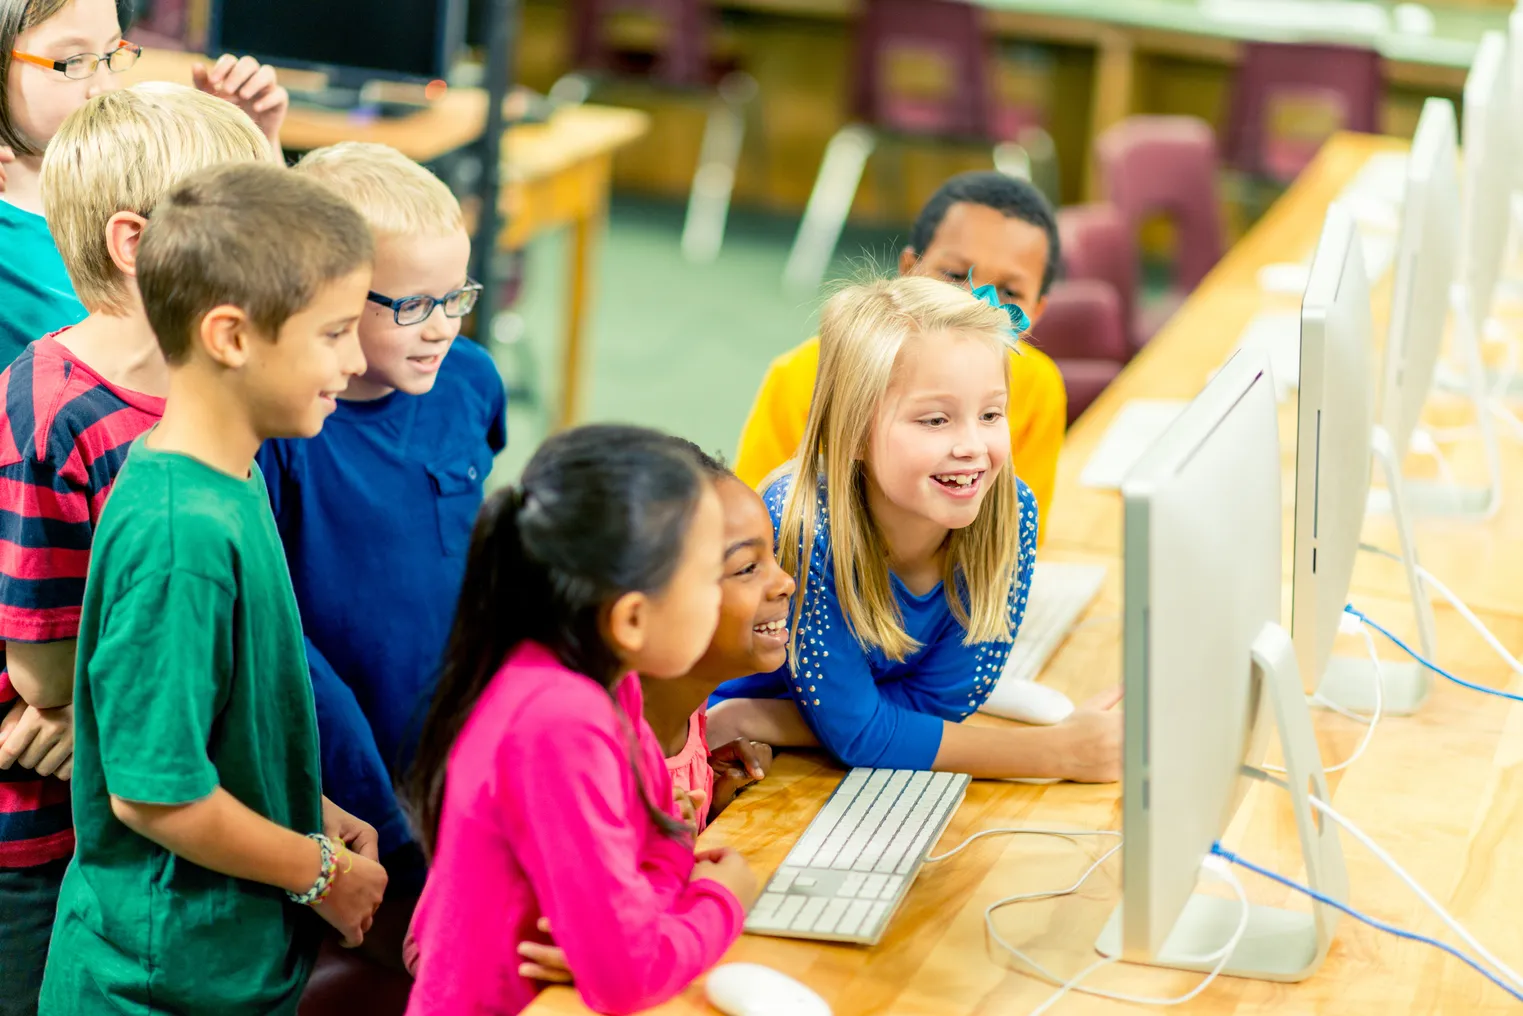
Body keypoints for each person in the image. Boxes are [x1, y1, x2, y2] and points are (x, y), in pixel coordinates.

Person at [39, 162, 389, 1015]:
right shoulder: (180, 533)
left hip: (221, 966)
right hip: (153, 985)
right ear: (231, 337)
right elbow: (154, 792)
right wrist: (319, 874)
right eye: (335, 332)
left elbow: (213, 725)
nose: (356, 359)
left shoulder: (226, 475)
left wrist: (304, 804)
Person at [0, 84, 273, 1016]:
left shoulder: (218, 386)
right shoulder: (52, 412)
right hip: (40, 835)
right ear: (137, 245)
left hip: (140, 777)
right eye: (251, 239)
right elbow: (40, 680)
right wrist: (99, 709)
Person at [403, 425, 757, 1016]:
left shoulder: (606, 685)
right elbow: (627, 976)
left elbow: (658, 851)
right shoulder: (559, 720)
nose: (717, 601)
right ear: (632, 619)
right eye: (706, 580)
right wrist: (723, 901)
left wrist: (642, 915)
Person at [712, 276, 1121, 782]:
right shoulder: (804, 528)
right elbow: (860, 735)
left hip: (788, 747)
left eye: (991, 413)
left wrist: (768, 719)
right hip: (718, 759)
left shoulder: (1009, 514)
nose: (973, 445)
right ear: (855, 431)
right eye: (935, 420)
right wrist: (1056, 754)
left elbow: (936, 706)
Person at [259, 142, 506, 959]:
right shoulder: (286, 430)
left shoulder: (470, 379)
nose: (441, 328)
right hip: (344, 772)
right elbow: (278, 637)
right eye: (410, 306)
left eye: (458, 297)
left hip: (454, 745)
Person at [734, 171, 1067, 534]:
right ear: (908, 269)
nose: (974, 303)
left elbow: (1016, 532)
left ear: (1035, 311)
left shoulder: (1039, 385)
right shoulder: (801, 375)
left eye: (1010, 293)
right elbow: (751, 530)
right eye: (955, 274)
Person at [0, 0, 288, 366]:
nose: (103, 88)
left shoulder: (132, 175)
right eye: (73, 61)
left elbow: (276, 285)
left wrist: (242, 148)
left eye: (111, 52)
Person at [641, 440, 791, 831]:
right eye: (747, 568)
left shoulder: (689, 711)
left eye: (773, 556)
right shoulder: (603, 762)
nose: (786, 583)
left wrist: (714, 805)